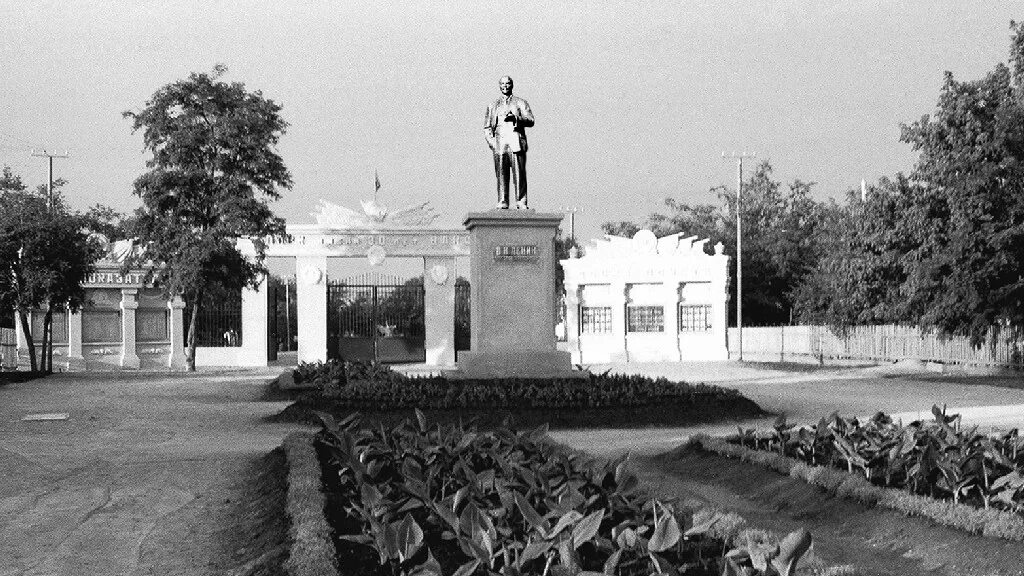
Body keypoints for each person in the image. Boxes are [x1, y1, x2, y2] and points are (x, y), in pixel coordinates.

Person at [484, 76, 534, 209]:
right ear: (499, 86)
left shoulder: (520, 102)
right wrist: (493, 143)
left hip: (516, 141)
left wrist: (517, 118)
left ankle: (521, 201)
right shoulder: (493, 105)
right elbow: (487, 127)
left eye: (508, 83)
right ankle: (502, 200)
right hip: (500, 143)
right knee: (501, 174)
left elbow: (530, 120)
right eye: (503, 84)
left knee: (519, 173)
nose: (505, 86)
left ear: (512, 85)